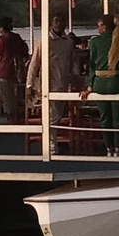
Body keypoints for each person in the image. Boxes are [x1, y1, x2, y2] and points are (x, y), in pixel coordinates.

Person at [26, 12, 74, 153]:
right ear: (51, 23)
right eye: (56, 21)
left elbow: (73, 63)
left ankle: (54, 142)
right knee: (52, 116)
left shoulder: (68, 42)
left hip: (63, 84)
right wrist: (29, 85)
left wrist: (75, 79)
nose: (59, 24)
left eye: (61, 21)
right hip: (48, 85)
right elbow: (34, 64)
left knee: (57, 116)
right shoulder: (43, 41)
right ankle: (50, 147)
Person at [80, 14, 119, 157]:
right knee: (118, 118)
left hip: (99, 84)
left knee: (105, 118)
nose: (97, 28)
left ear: (104, 26)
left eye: (99, 25)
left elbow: (92, 65)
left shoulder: (94, 42)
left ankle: (109, 148)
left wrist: (90, 86)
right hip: (116, 83)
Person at [0, 16, 29, 123]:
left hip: (5, 71)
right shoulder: (17, 38)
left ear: (1, 28)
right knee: (17, 94)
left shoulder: (2, 39)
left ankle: (11, 116)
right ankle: (19, 114)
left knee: (7, 96)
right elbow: (25, 51)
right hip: (18, 71)